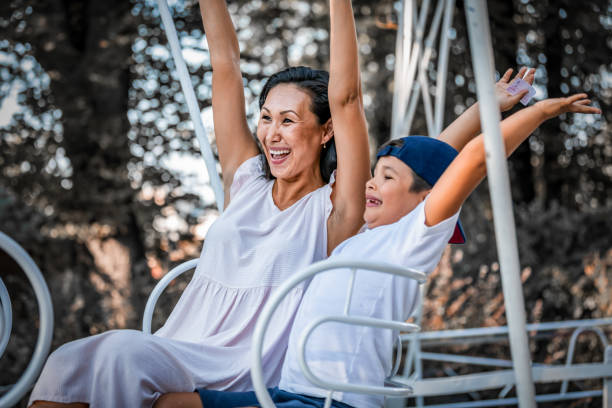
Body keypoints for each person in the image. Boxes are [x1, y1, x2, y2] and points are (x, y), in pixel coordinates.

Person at [154, 91, 600, 408]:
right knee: (166, 402)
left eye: (386, 178)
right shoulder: (359, 238)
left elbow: (469, 161)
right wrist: (486, 106)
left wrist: (539, 112)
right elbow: (431, 155)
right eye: (374, 173)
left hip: (333, 400)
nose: (371, 181)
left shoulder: (411, 239)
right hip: (286, 390)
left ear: (427, 199)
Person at [27, 0, 372, 406]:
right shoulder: (246, 182)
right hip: (185, 345)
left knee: (123, 353)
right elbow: (224, 63)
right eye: (266, 117)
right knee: (68, 363)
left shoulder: (334, 209)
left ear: (326, 130)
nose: (272, 133)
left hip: (246, 365)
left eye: (288, 120)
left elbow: (347, 98)